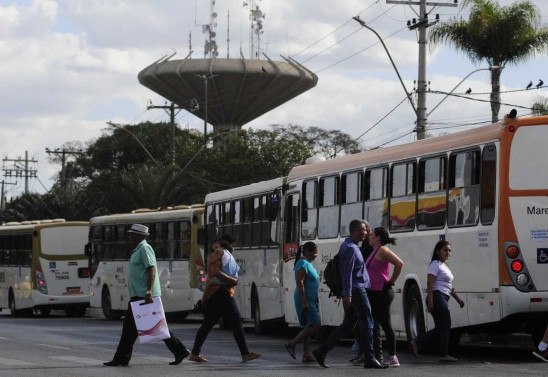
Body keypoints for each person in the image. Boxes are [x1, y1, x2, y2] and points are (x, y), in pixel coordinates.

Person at [104, 224, 190, 367]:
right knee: (130, 330)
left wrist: (148, 292)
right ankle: (122, 358)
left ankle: (179, 350)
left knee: (155, 328)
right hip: (138, 296)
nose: (129, 237)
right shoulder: (137, 250)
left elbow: (151, 269)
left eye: (132, 234)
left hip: (145, 296)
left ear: (139, 236)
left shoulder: (145, 248)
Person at [312, 219, 388, 369]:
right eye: (363, 230)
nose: (365, 233)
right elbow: (347, 273)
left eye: (366, 230)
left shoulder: (349, 246)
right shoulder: (352, 249)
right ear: (354, 231)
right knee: (367, 322)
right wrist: (347, 294)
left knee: (348, 325)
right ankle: (370, 358)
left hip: (354, 290)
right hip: (357, 290)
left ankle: (321, 351)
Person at [189, 239, 260, 363]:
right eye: (215, 248)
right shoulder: (223, 255)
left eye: (217, 248)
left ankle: (195, 353)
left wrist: (205, 296)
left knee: (208, 324)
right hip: (222, 292)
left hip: (213, 293)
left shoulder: (212, 258)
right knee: (236, 321)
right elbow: (218, 275)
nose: (216, 251)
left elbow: (210, 278)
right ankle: (245, 354)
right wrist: (231, 279)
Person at [410, 240, 465, 362]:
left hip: (443, 297)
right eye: (445, 250)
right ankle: (444, 354)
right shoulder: (435, 264)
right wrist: (430, 301)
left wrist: (458, 299)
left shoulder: (445, 266)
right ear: (438, 251)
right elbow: (430, 283)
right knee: (445, 325)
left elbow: (448, 286)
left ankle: (417, 342)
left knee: (441, 327)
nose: (448, 253)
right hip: (437, 296)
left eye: (450, 251)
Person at [366, 226, 403, 367]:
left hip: (382, 291)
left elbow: (399, 263)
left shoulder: (383, 250)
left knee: (385, 324)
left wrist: (391, 280)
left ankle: (393, 357)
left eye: (372, 235)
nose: (369, 237)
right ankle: (375, 355)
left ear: (378, 237)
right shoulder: (374, 250)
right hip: (374, 292)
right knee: (374, 323)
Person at [285, 242, 321, 363]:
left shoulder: (308, 263)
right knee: (315, 325)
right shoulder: (302, 263)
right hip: (305, 299)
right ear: (306, 251)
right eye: (313, 253)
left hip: (311, 299)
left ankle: (306, 354)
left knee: (309, 326)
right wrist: (304, 302)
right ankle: (292, 344)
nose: (315, 255)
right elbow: (299, 283)